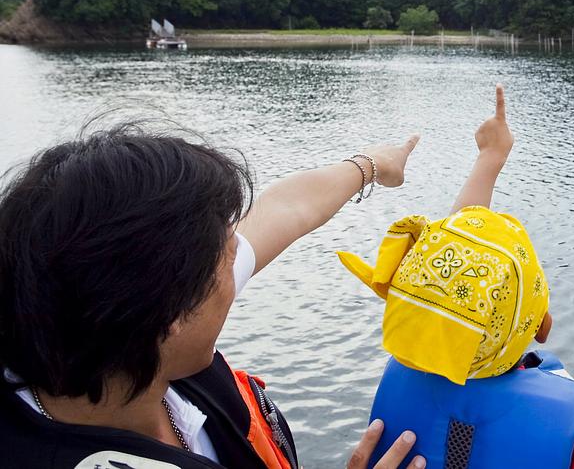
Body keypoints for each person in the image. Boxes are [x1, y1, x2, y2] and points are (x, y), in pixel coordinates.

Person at [0, 118, 427, 469]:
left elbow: (286, 209)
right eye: (227, 252)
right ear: (174, 313)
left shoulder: (113, 325)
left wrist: (372, 164)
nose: (242, 251)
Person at [339, 86, 574, 469]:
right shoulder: (566, 413)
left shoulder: (402, 372)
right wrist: (491, 157)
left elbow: (453, 283)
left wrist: (489, 159)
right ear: (538, 324)